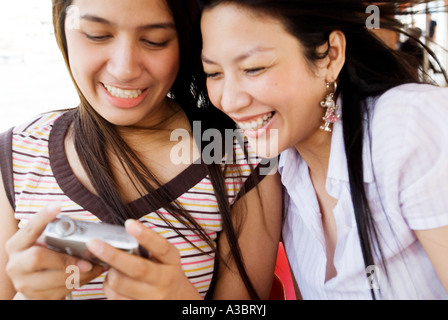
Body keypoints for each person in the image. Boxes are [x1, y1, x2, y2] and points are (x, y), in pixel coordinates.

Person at [0, 0, 282, 300]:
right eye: (96, 34)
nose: (124, 69)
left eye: (154, 40)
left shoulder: (241, 158)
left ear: (186, 42)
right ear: (62, 30)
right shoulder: (18, 154)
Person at [198, 0, 448, 299]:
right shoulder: (283, 174)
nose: (230, 100)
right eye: (213, 73)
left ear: (330, 56)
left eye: (253, 68)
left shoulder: (412, 124)